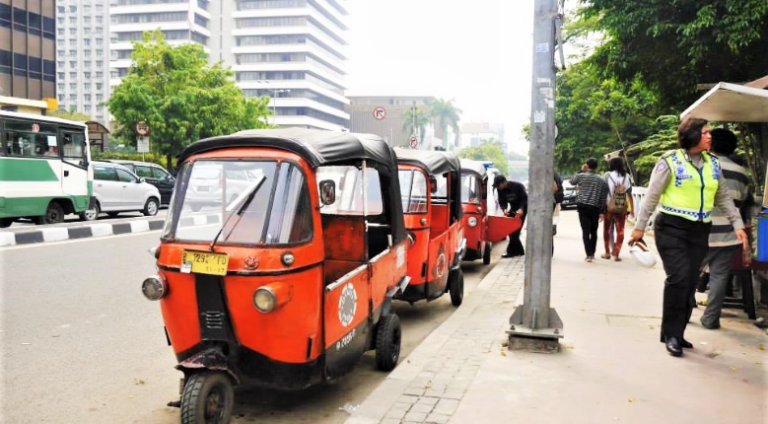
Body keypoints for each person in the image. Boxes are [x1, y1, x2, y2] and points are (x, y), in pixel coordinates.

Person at [629, 118, 748, 358]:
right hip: (671, 227)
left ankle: (677, 332)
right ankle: (671, 334)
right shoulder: (669, 161)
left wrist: (738, 224)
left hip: (700, 229)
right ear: (691, 135)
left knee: (691, 280)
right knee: (679, 278)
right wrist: (639, 227)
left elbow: (723, 197)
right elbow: (652, 196)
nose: (709, 136)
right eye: (704, 133)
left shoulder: (713, 164)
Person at [697, 128, 752, 330]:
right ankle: (711, 319)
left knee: (690, 272)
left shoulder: (704, 165)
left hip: (703, 231)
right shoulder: (742, 173)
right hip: (730, 234)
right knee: (720, 276)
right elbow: (746, 205)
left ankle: (682, 312)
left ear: (711, 144)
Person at [570, 158, 609, 262]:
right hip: (595, 208)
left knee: (585, 231)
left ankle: (588, 255)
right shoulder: (601, 180)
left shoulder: (581, 176)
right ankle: (592, 253)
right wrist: (601, 211)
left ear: (587, 165)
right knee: (594, 231)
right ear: (597, 167)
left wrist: (581, 170)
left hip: (582, 207)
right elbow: (603, 196)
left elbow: (572, 181)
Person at [601, 157, 635, 261]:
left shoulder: (607, 175)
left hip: (609, 207)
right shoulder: (627, 176)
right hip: (621, 206)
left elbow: (602, 192)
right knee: (620, 230)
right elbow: (629, 194)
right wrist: (632, 209)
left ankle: (607, 253)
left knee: (607, 229)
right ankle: (617, 253)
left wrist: (601, 209)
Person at [492, 174, 527, 258]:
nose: (498, 187)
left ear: (504, 182)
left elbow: (525, 199)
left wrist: (521, 209)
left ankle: (510, 252)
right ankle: (520, 251)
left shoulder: (518, 186)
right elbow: (502, 201)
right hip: (513, 209)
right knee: (510, 230)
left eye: (499, 185)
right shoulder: (500, 190)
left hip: (522, 209)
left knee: (516, 231)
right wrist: (504, 209)